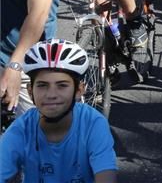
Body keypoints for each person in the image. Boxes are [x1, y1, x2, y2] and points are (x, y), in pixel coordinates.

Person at [0, 39, 117, 183]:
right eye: (42, 85)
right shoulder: (21, 129)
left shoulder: (93, 124)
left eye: (62, 85)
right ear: (30, 92)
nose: (51, 94)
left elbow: (106, 175)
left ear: (79, 90)